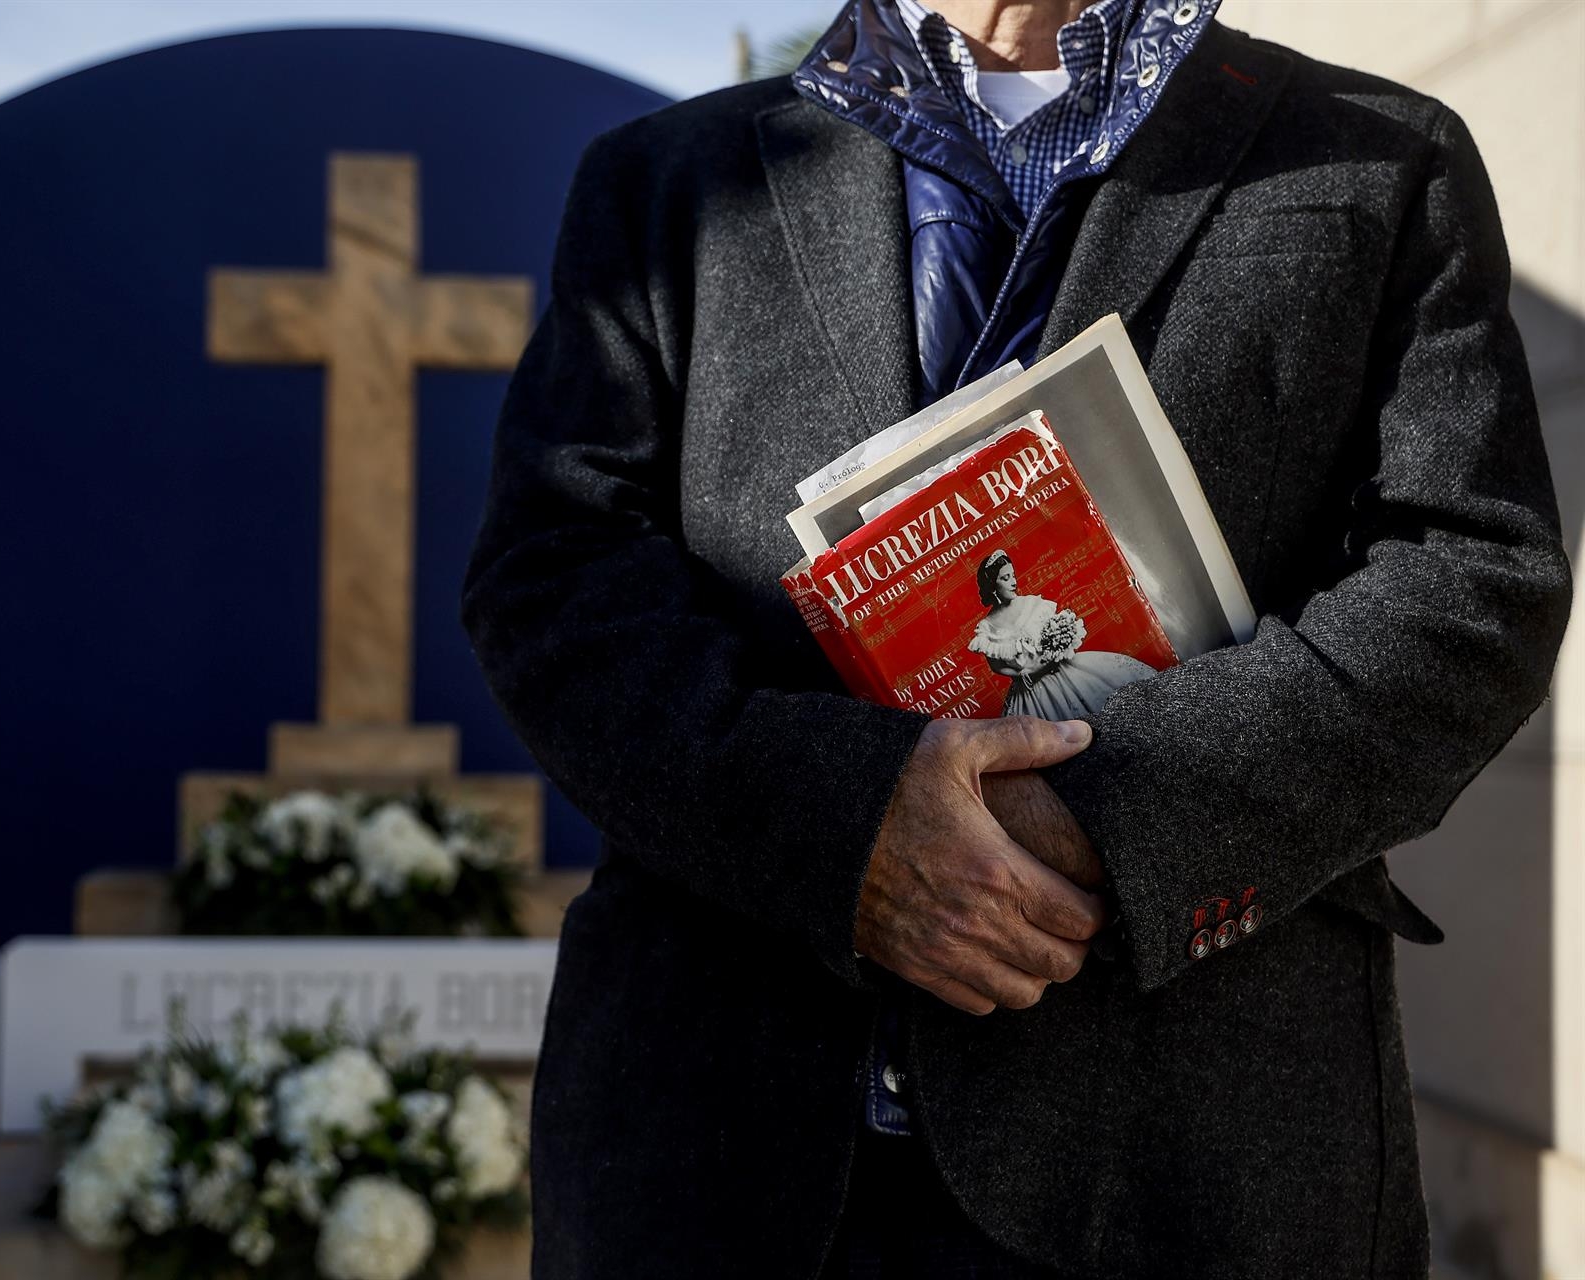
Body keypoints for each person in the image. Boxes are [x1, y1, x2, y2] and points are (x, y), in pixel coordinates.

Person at [459, 0, 1572, 1275]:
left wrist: (1092, 812)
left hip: (1199, 1150)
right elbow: (555, 580)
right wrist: (852, 826)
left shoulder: (1380, 154)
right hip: (731, 1144)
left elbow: (1469, 581)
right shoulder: (662, 185)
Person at [967, 549, 1157, 718]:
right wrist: (1024, 672)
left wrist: (1060, 641)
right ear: (992, 585)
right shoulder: (987, 627)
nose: (1013, 582)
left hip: (1063, 670)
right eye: (1005, 578)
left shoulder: (1032, 603)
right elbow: (997, 667)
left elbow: (1054, 631)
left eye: (1013, 576)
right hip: (1032, 690)